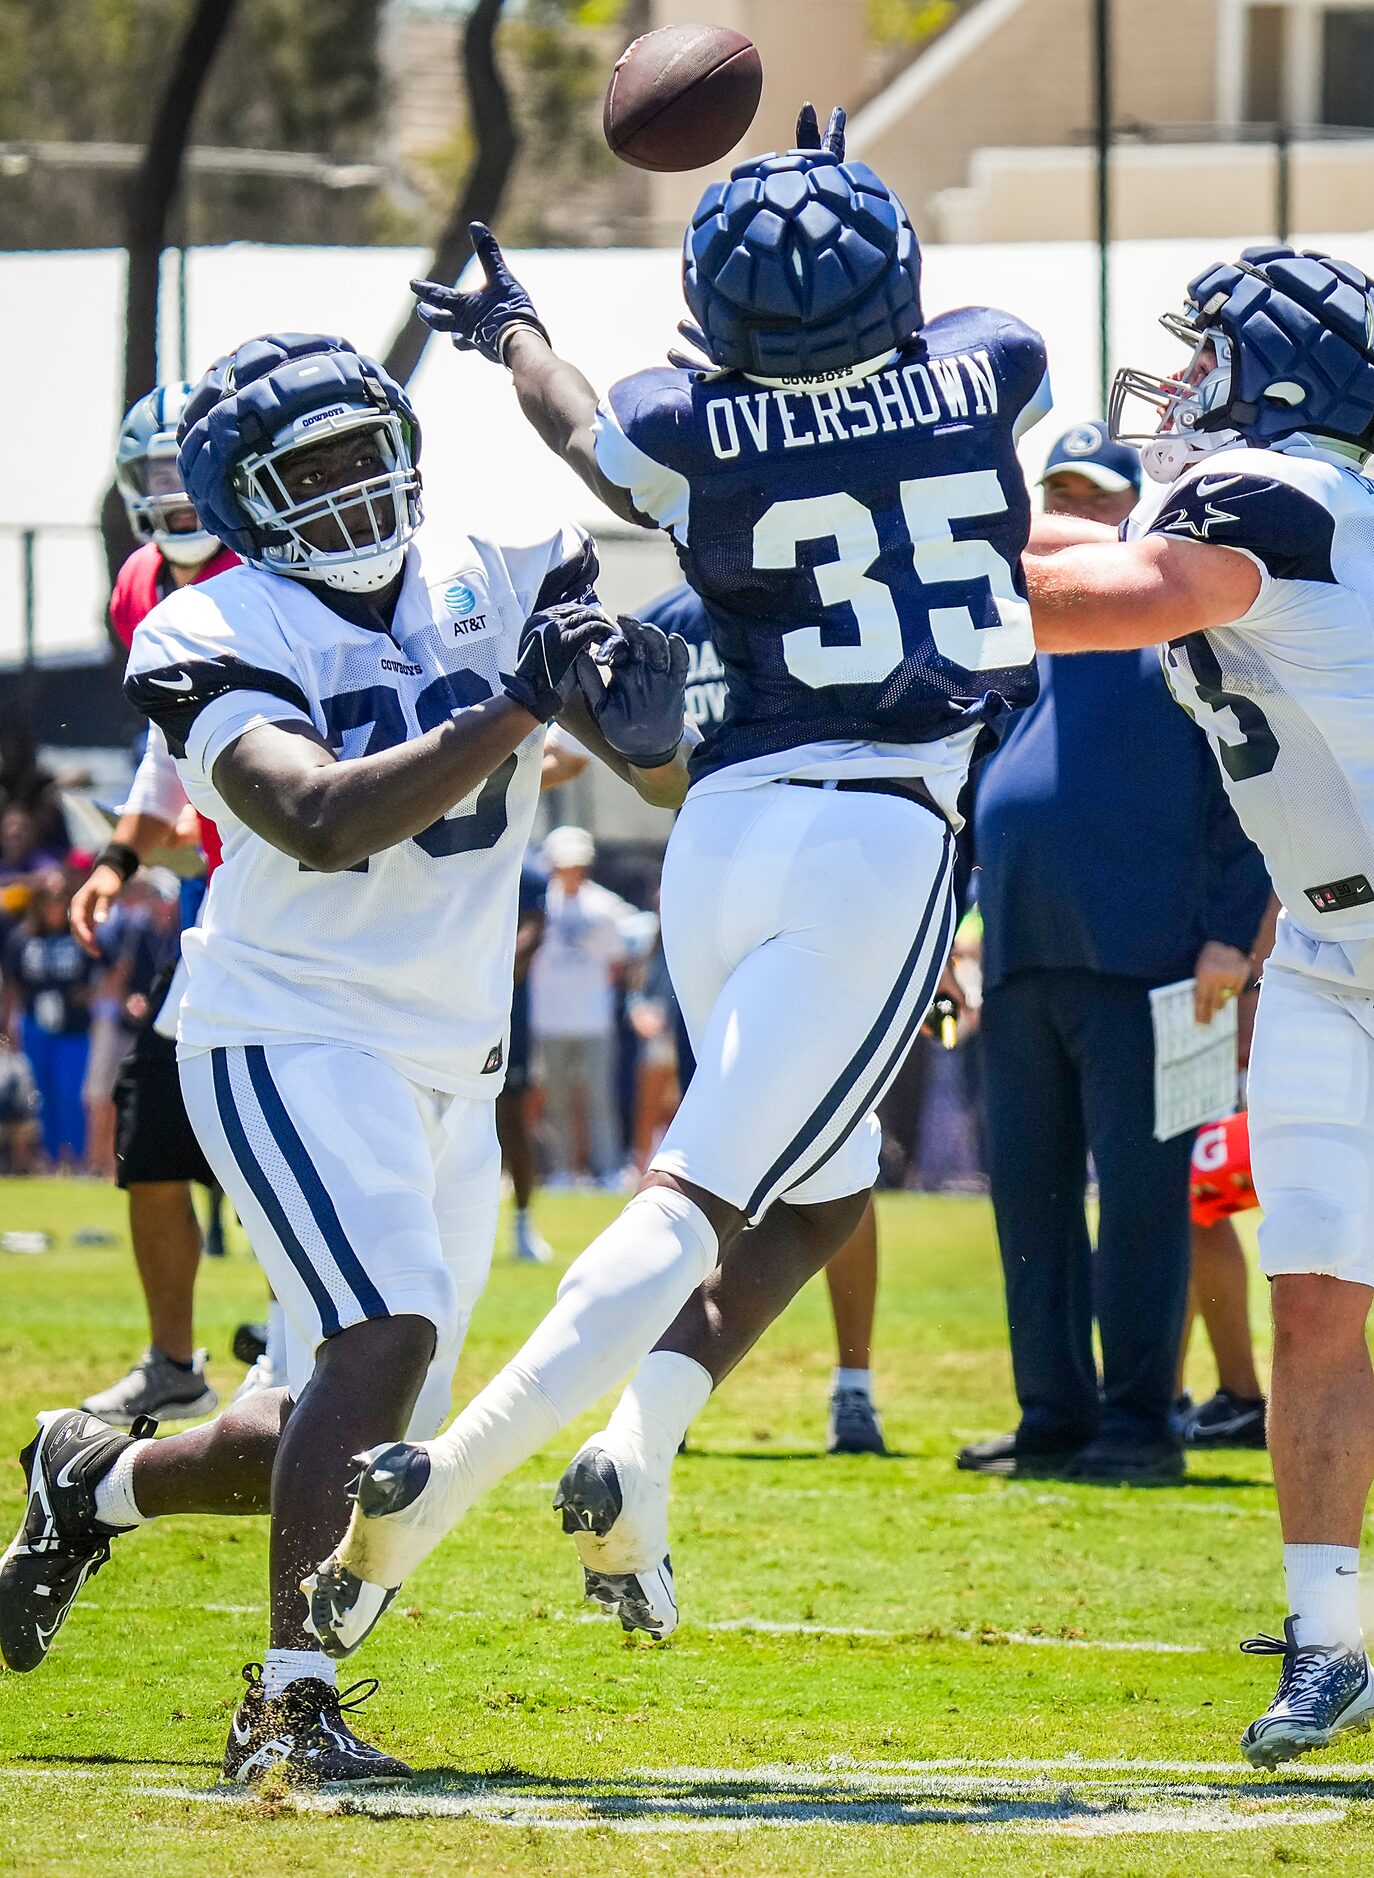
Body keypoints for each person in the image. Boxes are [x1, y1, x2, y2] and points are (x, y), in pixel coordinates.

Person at [304, 104, 1050, 1654]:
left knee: (823, 1192)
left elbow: (587, 424)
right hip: (884, 830)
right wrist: (834, 207)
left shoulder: (684, 422)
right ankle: (432, 1493)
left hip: (718, 835)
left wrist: (512, 329)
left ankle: (631, 1461)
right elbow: (921, 339)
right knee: (701, 1190)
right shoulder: (998, 361)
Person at [0, 330, 693, 1787]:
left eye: (362, 447)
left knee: (374, 1412)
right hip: (288, 1022)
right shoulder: (209, 627)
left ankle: (93, 1481)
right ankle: (287, 1706)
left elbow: (654, 754)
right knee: (390, 1337)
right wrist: (516, 699)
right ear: (244, 498)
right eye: (308, 470)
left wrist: (643, 699)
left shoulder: (504, 550)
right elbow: (312, 813)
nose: (351, 484)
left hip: (453, 1043)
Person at [1014, 246, 1374, 1765]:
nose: (1179, 386)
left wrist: (897, 509)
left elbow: (1075, 597)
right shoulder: (1279, 499)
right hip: (1320, 950)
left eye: (1207, 357)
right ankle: (1329, 1636)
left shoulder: (1277, 500)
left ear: (1279, 381)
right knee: (1310, 1288)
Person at [957, 424, 1270, 1483]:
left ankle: (1140, 1426)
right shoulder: (1014, 639)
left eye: (1094, 498)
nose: (1072, 513)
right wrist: (956, 940)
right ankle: (1054, 1415)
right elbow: (967, 800)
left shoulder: (1178, 634)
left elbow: (1251, 791)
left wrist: (1232, 936)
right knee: (1028, 1199)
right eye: (1058, 492)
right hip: (1021, 961)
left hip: (1161, 969)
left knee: (1144, 1204)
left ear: (1130, 513)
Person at [643, 580, 888, 1454]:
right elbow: (647, 770)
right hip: (716, 894)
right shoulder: (666, 621)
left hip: (820, 893)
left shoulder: (813, 585)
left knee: (838, 1147)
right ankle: (666, 1375)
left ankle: (853, 1383)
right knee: (700, 1151)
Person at [73, 382, 241, 1425]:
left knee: (290, 1124)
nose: (174, 497)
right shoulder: (139, 585)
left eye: (188, 472)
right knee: (151, 1123)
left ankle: (311, 1341)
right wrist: (123, 860)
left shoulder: (270, 569)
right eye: (156, 477)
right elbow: (163, 748)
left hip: (296, 884)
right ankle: (175, 1360)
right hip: (221, 900)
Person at [528, 824, 631, 1185]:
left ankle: (607, 1168)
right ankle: (562, 1170)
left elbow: (617, 961)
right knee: (555, 1100)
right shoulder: (539, 901)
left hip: (592, 1017)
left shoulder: (603, 906)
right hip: (549, 1016)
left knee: (600, 1097)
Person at [1, 869, 97, 1168]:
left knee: (71, 1093)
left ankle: (77, 1159)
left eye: (60, 897)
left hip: (74, 1029)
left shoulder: (80, 934)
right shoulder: (23, 938)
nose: (55, 903)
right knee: (42, 1094)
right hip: (35, 1027)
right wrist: (9, 1026)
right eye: (48, 897)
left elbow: (106, 970)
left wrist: (89, 995)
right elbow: (12, 984)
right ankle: (51, 1159)